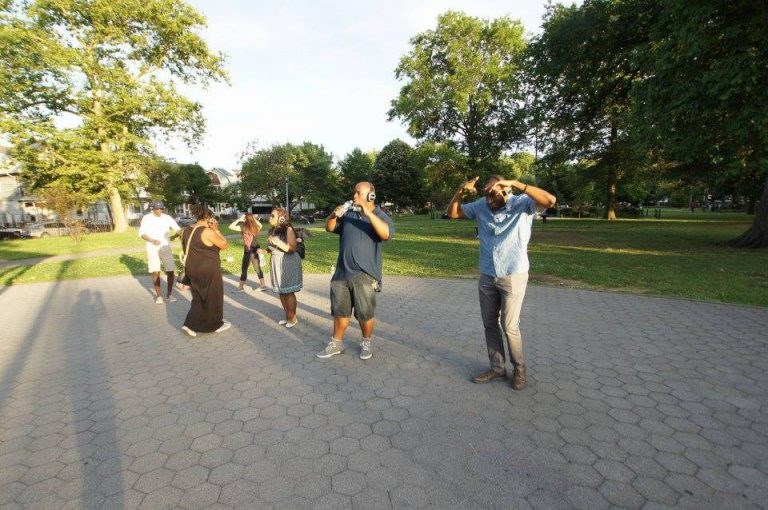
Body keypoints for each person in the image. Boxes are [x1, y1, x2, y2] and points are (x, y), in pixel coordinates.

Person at [447, 175, 556, 390]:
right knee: (489, 324)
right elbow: (453, 213)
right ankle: (497, 368)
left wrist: (517, 184)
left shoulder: (523, 203)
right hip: (487, 275)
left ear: (505, 190)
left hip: (513, 275)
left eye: (493, 194)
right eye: (486, 194)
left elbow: (550, 201)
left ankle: (520, 369)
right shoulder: (481, 205)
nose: (488, 200)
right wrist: (460, 190)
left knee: (509, 326)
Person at [316, 182, 394, 360]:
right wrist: (334, 215)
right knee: (340, 311)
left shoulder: (380, 215)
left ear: (370, 196)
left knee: (364, 313)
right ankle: (336, 343)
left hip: (365, 274)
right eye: (354, 193)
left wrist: (367, 213)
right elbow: (329, 227)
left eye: (358, 193)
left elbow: (386, 234)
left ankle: (366, 342)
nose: (354, 196)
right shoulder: (348, 213)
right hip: (342, 272)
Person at [179, 205, 230, 337]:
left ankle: (197, 324)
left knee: (198, 296)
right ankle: (211, 324)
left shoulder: (185, 230)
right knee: (213, 296)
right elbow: (224, 245)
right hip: (208, 269)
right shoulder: (207, 231)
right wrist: (216, 230)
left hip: (192, 268)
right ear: (207, 217)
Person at [266, 208, 303, 327]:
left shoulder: (289, 229)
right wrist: (265, 250)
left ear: (281, 218)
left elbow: (292, 248)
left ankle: (292, 318)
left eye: (272, 216)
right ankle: (288, 317)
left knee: (288, 292)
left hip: (288, 262)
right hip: (277, 261)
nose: (269, 217)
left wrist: (278, 242)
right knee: (282, 292)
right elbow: (273, 247)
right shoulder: (273, 230)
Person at [138, 199, 181, 304]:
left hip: (165, 246)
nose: (159, 211)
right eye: (156, 209)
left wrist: (175, 235)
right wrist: (152, 240)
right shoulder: (147, 218)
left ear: (163, 209)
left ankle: (169, 295)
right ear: (152, 209)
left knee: (170, 270)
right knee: (155, 270)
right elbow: (142, 234)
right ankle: (159, 296)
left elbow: (178, 229)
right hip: (152, 247)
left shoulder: (167, 218)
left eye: (160, 209)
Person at [229, 212, 268, 292]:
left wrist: (239, 219)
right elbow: (261, 225)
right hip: (256, 249)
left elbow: (231, 226)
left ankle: (240, 288)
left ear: (245, 218)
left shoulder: (243, 226)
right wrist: (254, 219)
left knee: (244, 269)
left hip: (248, 250)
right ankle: (263, 285)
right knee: (257, 268)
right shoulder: (256, 226)